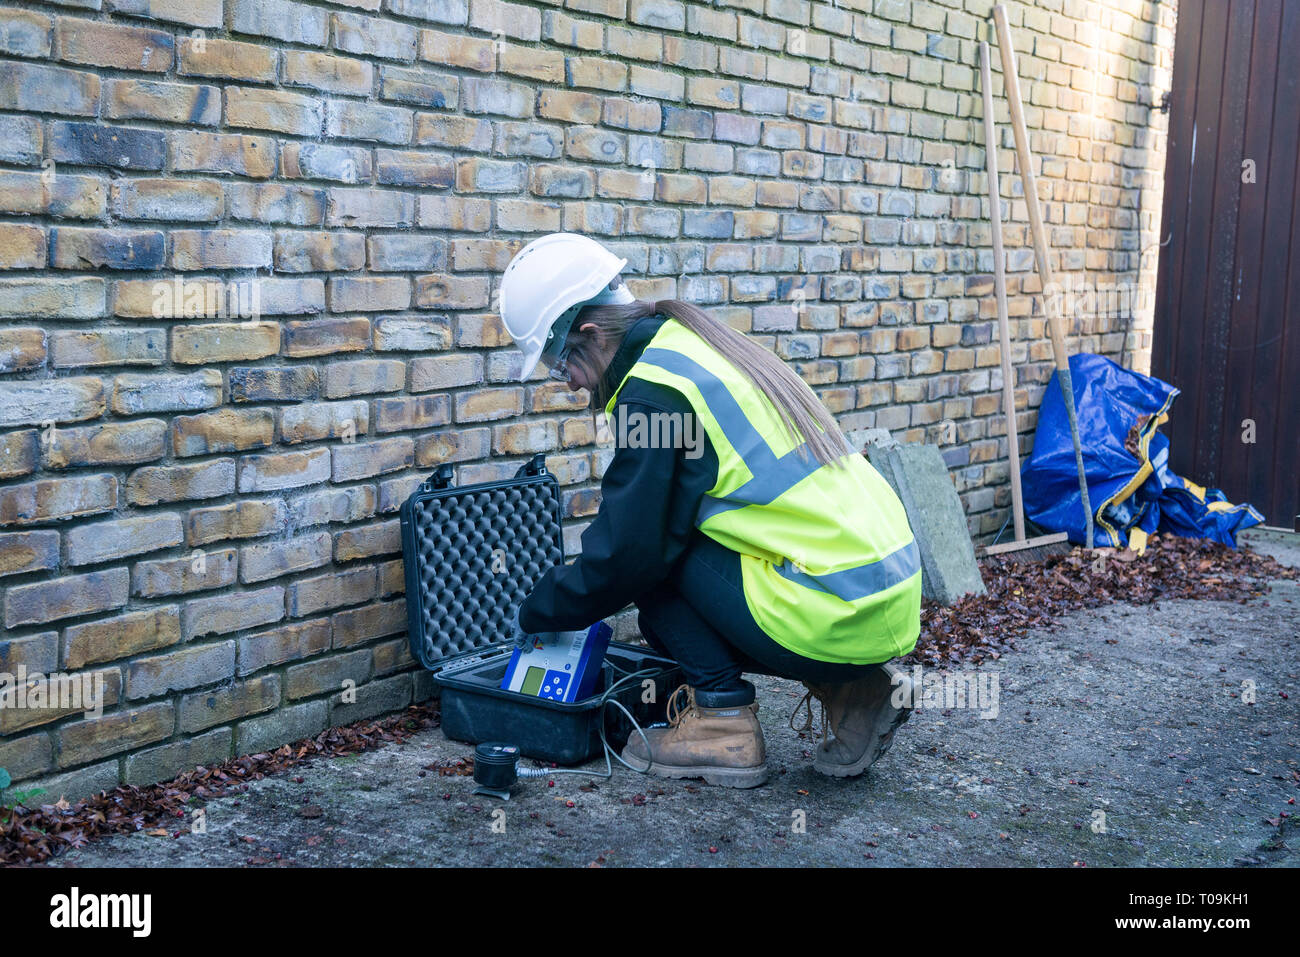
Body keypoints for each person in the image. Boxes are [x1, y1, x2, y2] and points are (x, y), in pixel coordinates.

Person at [499, 233, 922, 788]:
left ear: (590, 335)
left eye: (561, 369)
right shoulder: (695, 345)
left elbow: (629, 553)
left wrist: (538, 612)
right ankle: (855, 691)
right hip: (881, 594)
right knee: (663, 549)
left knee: (653, 566)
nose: (570, 385)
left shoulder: (653, 391)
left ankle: (724, 724)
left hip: (831, 606)